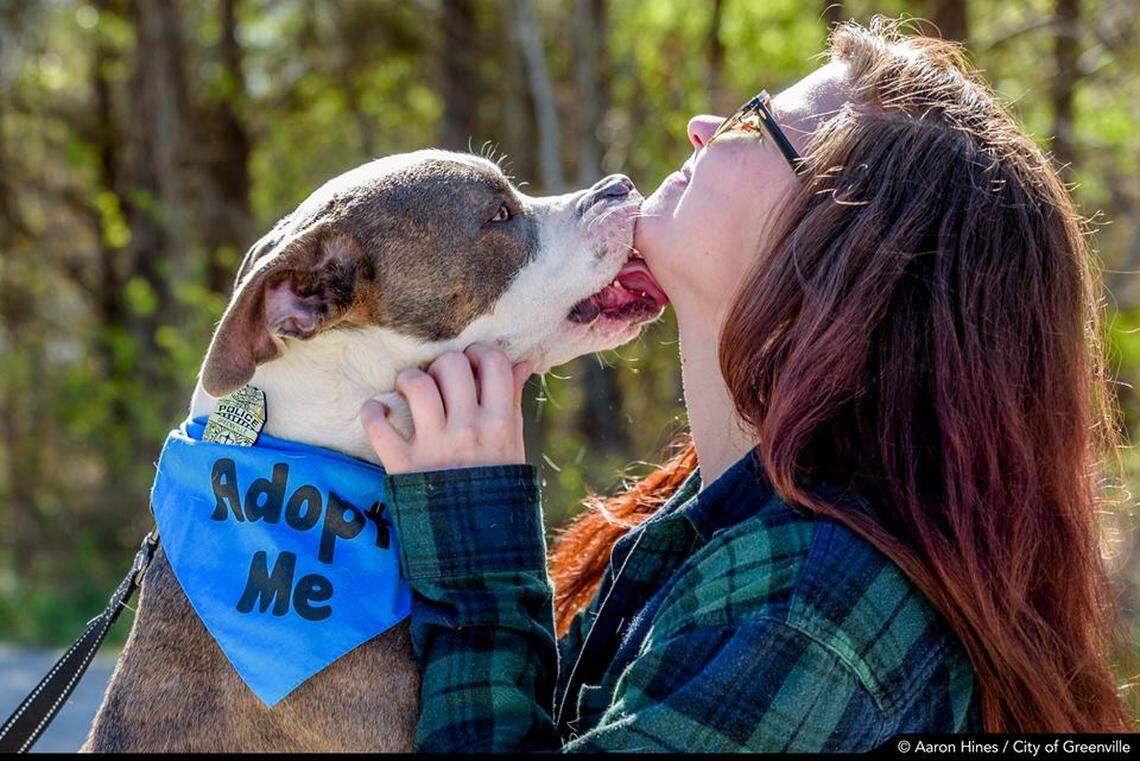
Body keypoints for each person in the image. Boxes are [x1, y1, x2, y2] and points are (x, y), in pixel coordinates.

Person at [359, 19, 1134, 752]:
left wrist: (475, 544)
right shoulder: (722, 518)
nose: (701, 125)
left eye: (753, 121)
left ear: (843, 257)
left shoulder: (812, 618)